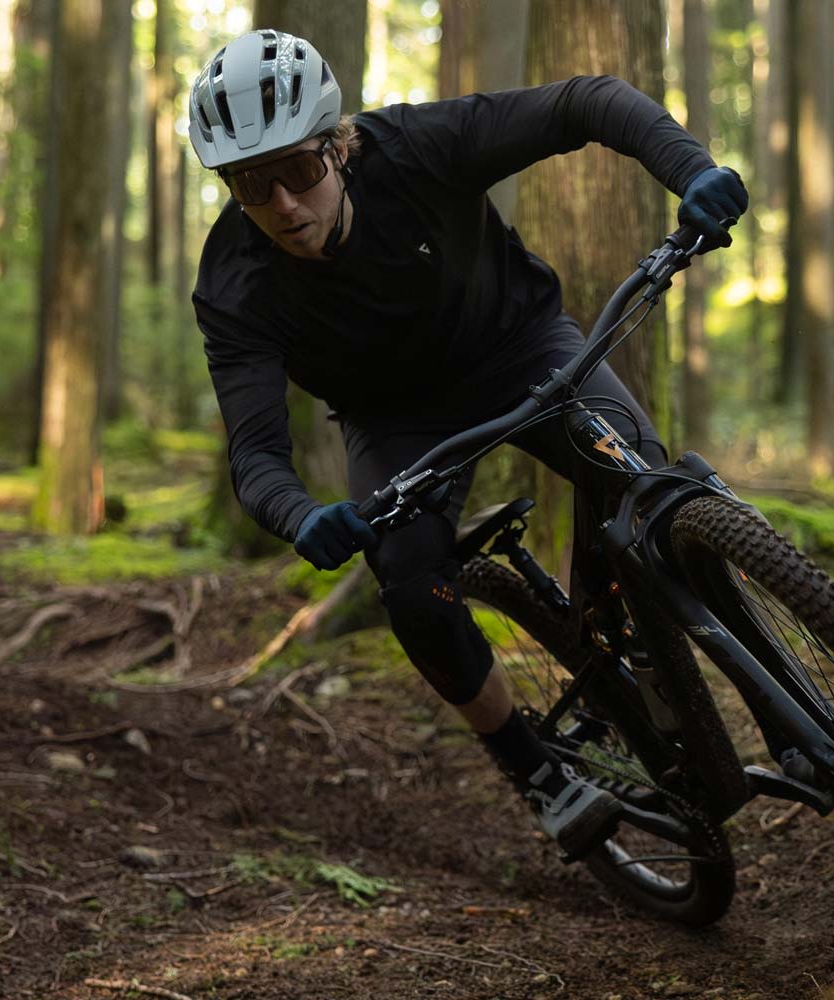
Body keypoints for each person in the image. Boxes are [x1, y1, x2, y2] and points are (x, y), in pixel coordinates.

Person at [188, 29, 748, 860]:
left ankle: (631, 640)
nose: (283, 205)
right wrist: (301, 515)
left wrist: (691, 169)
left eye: (299, 171)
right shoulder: (234, 284)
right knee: (414, 589)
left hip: (523, 349)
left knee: (644, 483)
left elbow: (584, 102)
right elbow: (257, 456)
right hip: (397, 424)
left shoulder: (415, 147)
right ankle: (534, 770)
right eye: (250, 185)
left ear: (338, 147)